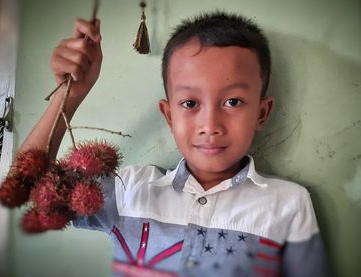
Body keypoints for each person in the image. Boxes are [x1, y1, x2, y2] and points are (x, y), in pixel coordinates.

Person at [20, 11, 328, 276]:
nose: (210, 126)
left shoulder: (288, 204)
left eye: (233, 101)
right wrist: (70, 94)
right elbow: (28, 187)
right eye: (190, 103)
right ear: (168, 115)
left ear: (262, 113)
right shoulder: (130, 191)